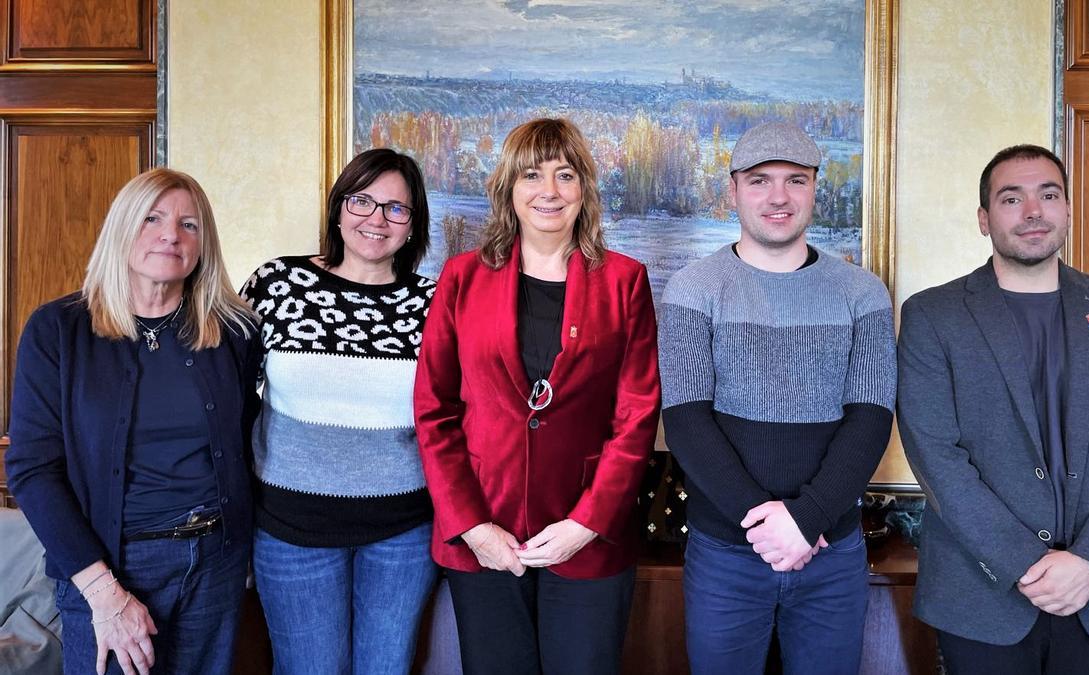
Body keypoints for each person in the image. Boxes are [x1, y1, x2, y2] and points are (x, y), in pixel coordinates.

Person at [897, 144, 1089, 674]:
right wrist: (1023, 561)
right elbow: (936, 455)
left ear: (1068, 209)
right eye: (1011, 198)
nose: (1033, 211)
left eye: (1048, 195)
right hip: (982, 597)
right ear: (984, 220)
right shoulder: (932, 316)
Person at [414, 117, 660, 675]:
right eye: (532, 174)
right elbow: (434, 410)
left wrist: (587, 522)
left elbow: (637, 416)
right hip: (484, 535)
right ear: (509, 188)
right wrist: (472, 526)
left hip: (590, 534)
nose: (549, 191)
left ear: (583, 191)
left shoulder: (625, 281)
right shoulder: (460, 277)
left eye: (565, 175)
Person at [658, 121, 896, 675]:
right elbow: (687, 421)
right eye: (760, 180)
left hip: (831, 552)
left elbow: (871, 419)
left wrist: (807, 519)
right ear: (733, 190)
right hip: (725, 553)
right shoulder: (694, 288)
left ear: (816, 188)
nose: (779, 197)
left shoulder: (861, 292)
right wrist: (767, 527)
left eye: (796, 180)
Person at [5, 168, 261, 675]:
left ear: (203, 245)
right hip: (111, 568)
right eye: (153, 218)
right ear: (121, 228)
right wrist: (104, 592)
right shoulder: (59, 330)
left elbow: (249, 440)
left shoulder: (233, 332)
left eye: (190, 225)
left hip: (216, 563)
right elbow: (33, 468)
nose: (171, 234)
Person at [238, 148, 438, 674]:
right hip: (290, 529)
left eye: (396, 208)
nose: (376, 219)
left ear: (413, 224)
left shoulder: (437, 304)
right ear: (338, 207)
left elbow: (452, 418)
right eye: (362, 200)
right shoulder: (277, 284)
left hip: (403, 532)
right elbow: (231, 405)